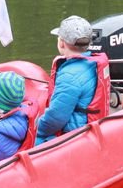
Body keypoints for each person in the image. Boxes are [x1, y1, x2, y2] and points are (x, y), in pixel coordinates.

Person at [35, 15, 110, 145]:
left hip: (74, 137)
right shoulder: (91, 64)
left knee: (23, 140)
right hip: (89, 128)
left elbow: (55, 119)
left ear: (62, 43)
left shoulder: (69, 75)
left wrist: (34, 128)